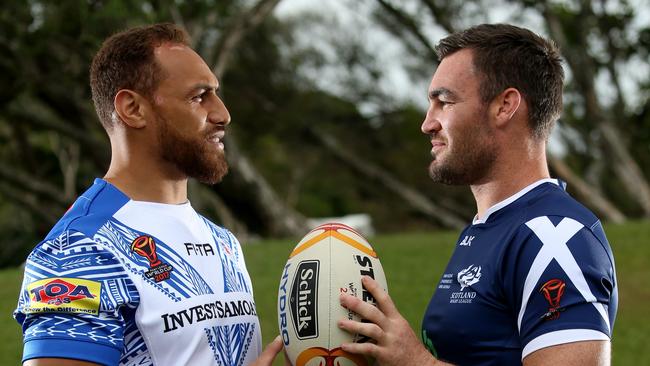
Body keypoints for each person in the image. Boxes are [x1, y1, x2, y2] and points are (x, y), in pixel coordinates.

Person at [337, 23, 618, 365]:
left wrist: (416, 362)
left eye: (445, 102)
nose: (428, 123)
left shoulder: (557, 237)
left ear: (505, 106)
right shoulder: (488, 228)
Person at [14, 23, 284, 366]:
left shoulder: (223, 241)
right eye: (199, 97)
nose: (222, 114)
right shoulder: (79, 249)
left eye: (216, 94)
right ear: (133, 109)